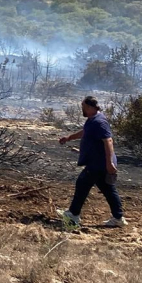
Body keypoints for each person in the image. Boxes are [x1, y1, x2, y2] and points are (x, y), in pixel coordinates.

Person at [57, 96, 127, 227]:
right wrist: (69, 138)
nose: (82, 109)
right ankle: (118, 218)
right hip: (98, 162)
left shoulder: (99, 122)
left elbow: (108, 141)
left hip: (98, 163)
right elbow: (85, 132)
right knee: (108, 189)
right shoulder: (92, 120)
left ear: (90, 107)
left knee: (82, 184)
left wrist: (109, 163)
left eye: (83, 107)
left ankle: (73, 215)